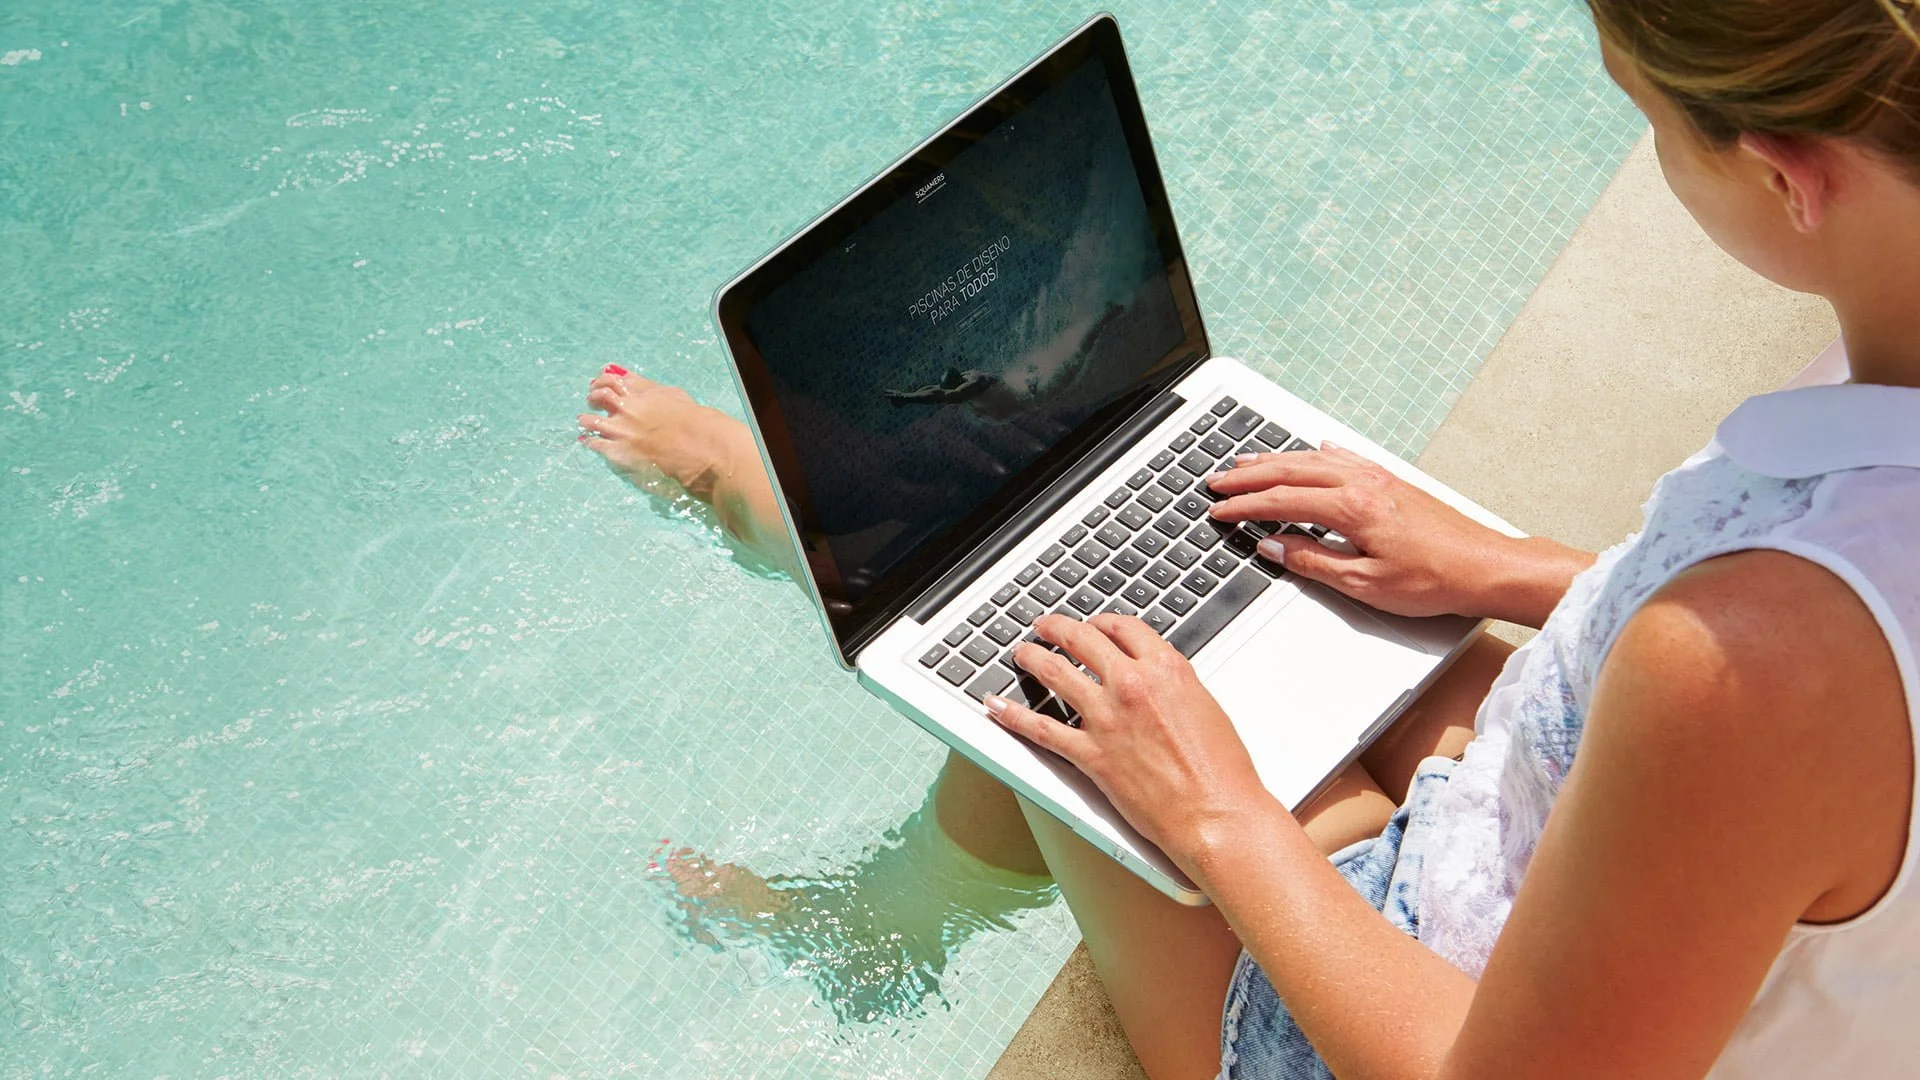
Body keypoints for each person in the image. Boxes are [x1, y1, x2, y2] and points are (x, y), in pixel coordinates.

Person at [578, 1, 1920, 1073]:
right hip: (1595, 841)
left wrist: (1216, 814)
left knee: (1049, 668)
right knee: (1103, 606)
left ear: (1788, 175)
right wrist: (1502, 569)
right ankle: (883, 824)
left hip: (1479, 1010)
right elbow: (1795, 688)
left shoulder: (1752, 667)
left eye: (1650, 124)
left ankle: (866, 890)